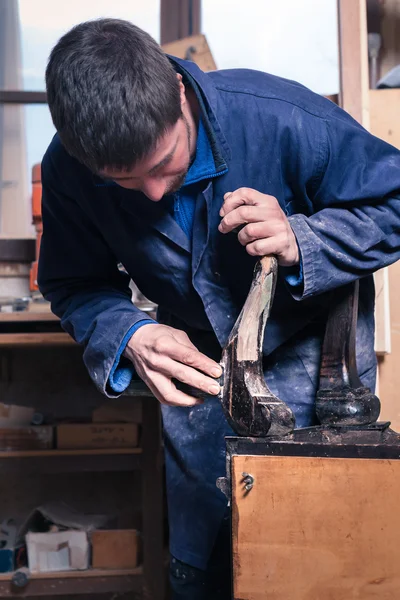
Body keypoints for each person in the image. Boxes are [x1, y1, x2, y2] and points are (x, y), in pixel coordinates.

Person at [39, 18, 400, 599]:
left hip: (318, 373)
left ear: (179, 94)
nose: (154, 195)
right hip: (198, 380)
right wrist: (128, 331)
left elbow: (394, 200)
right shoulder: (67, 169)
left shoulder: (281, 117)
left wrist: (303, 239)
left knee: (325, 564)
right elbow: (74, 282)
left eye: (164, 166)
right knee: (202, 568)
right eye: (124, 183)